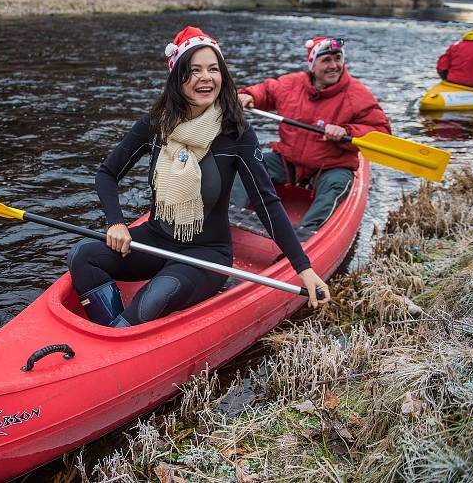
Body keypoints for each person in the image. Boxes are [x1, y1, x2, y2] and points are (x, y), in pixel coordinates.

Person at [67, 26, 330, 328]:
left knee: (157, 295)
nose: (206, 78)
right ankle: (112, 330)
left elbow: (267, 203)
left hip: (206, 254)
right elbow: (107, 174)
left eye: (213, 69)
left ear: (223, 76)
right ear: (177, 77)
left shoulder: (236, 132)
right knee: (82, 256)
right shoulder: (156, 123)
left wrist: (304, 268)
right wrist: (116, 222)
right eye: (194, 70)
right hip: (155, 239)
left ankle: (116, 336)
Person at [233, 37, 391, 234]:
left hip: (332, 167)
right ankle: (227, 215)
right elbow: (266, 91)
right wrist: (250, 95)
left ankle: (306, 236)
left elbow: (381, 131)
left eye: (338, 58)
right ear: (312, 65)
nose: (334, 65)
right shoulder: (292, 84)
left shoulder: (358, 95)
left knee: (334, 187)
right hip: (289, 162)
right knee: (246, 165)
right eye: (326, 60)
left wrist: (347, 132)